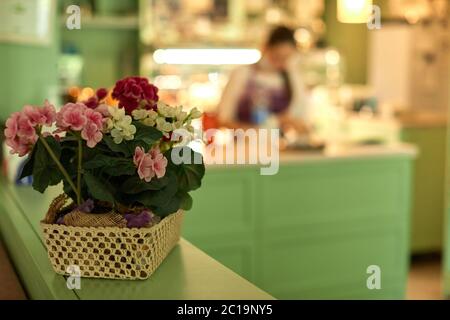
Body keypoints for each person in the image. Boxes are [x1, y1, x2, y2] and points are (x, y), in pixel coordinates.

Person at [217, 26, 308, 132]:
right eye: (276, 57)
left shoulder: (292, 78)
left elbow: (300, 121)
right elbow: (223, 120)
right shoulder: (242, 74)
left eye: (286, 58)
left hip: (278, 146)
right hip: (244, 145)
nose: (281, 64)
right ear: (265, 48)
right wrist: (259, 130)